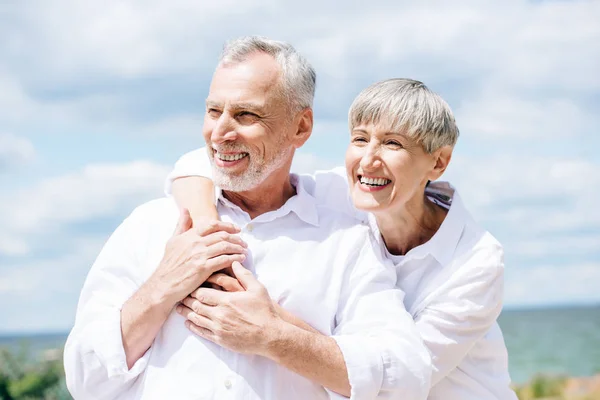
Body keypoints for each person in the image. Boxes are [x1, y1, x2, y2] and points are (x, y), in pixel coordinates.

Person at [63, 37, 431, 400]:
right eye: (213, 111)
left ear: (300, 127)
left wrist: (274, 336)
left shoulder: (347, 242)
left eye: (245, 115)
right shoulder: (150, 227)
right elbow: (85, 379)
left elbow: (406, 379)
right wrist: (162, 287)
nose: (220, 133)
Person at [168, 78, 518, 399]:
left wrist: (270, 323)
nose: (368, 160)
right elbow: (195, 164)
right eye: (360, 139)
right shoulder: (339, 192)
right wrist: (208, 236)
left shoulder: (476, 261)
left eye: (392, 143)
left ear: (438, 163)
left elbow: (397, 379)